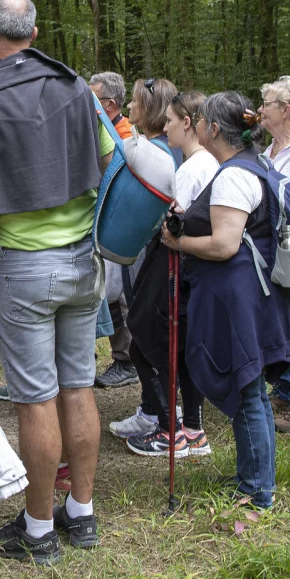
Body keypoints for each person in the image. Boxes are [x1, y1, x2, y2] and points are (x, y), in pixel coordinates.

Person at [0, 0, 115, 565]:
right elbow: (108, 166)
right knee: (78, 386)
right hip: (82, 262)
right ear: (34, 35)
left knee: (35, 399)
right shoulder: (75, 90)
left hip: (21, 269)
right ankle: (83, 515)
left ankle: (39, 529)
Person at [161, 91, 290, 509]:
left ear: (214, 129)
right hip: (254, 294)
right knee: (249, 388)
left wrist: (177, 241)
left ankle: (257, 492)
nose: (196, 125)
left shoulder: (234, 175)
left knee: (248, 388)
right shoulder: (257, 162)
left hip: (241, 298)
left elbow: (223, 244)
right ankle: (252, 479)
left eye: (200, 120)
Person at [125, 91, 218, 457]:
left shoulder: (195, 168)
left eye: (169, 120)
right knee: (179, 346)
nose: (164, 127)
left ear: (187, 122)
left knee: (151, 341)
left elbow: (174, 224)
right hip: (184, 269)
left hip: (175, 267)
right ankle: (192, 429)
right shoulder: (205, 162)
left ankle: (171, 428)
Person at [109, 77, 183, 441]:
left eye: (135, 103)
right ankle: (153, 407)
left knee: (145, 328)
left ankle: (159, 411)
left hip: (148, 249)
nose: (129, 109)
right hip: (143, 248)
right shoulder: (160, 146)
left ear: (150, 110)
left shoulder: (156, 152)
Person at [89, 71, 138, 388]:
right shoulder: (105, 129)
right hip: (104, 222)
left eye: (92, 99)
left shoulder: (123, 134)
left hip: (118, 225)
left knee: (118, 295)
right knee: (105, 293)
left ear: (108, 104)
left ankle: (126, 361)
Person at [258, 75, 290, 433]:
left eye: (267, 104)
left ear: (285, 110)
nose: (260, 110)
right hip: (269, 251)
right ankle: (285, 389)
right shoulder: (265, 150)